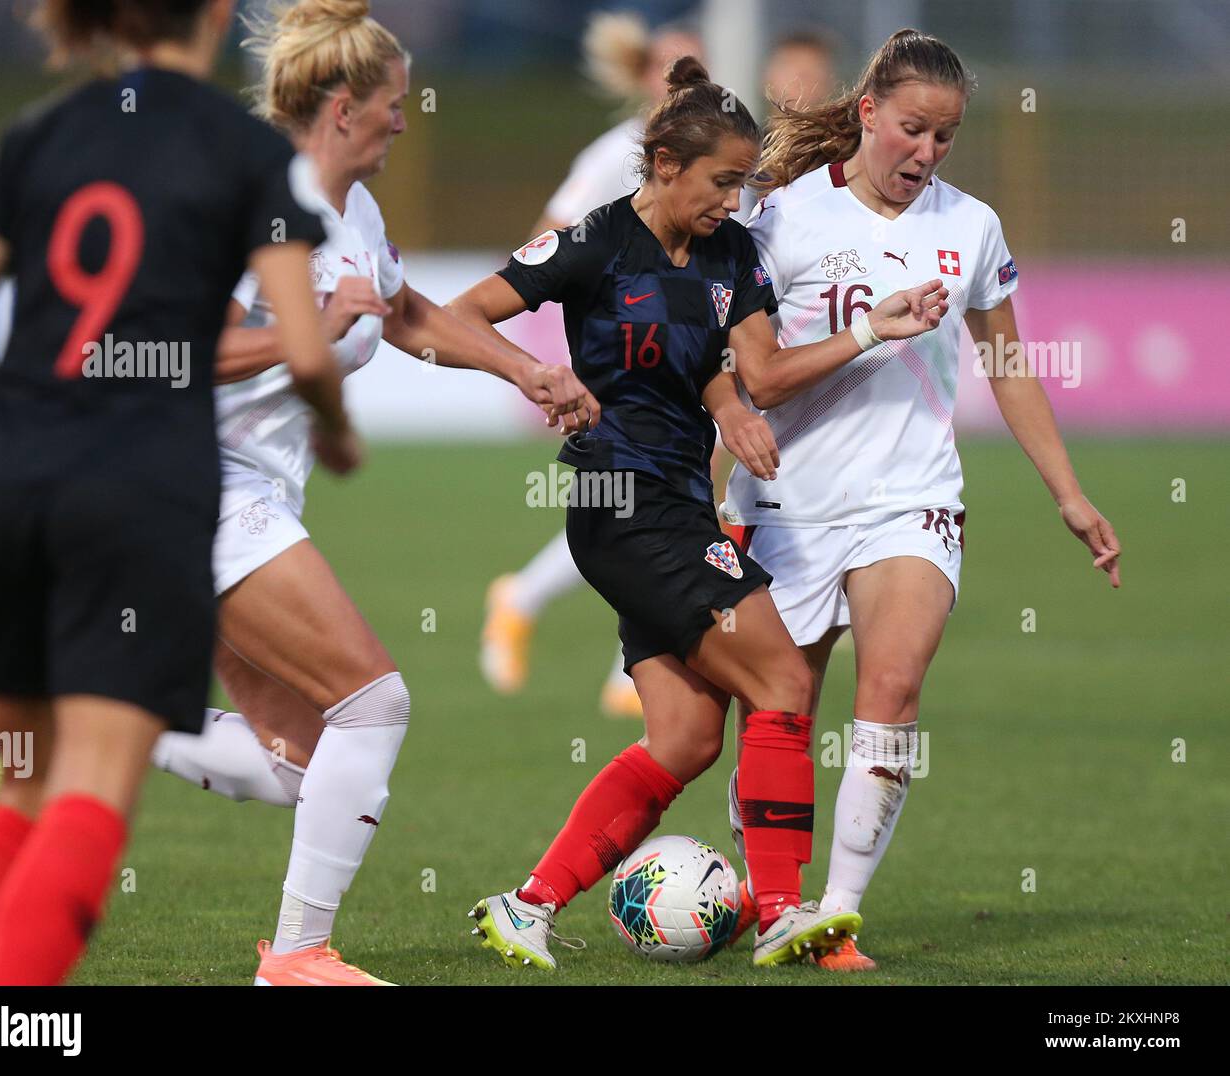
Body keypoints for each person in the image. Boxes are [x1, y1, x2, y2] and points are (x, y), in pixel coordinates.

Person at [448, 56, 948, 970]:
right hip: (625, 505)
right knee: (786, 688)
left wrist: (734, 407)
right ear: (666, 162)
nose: (733, 201)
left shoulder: (728, 254)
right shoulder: (595, 243)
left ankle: (527, 906)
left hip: (679, 504)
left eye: (745, 183)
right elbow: (457, 318)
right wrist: (531, 371)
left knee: (684, 739)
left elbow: (748, 368)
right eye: (722, 182)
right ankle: (785, 911)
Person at [141, 0, 597, 986]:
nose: (404, 119)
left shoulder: (352, 211)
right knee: (374, 701)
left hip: (243, 486)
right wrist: (307, 324)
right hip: (188, 481)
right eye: (393, 104)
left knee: (298, 764)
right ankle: (297, 955)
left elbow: (406, 312)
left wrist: (525, 371)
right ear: (343, 106)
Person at [0, 0, 354, 986]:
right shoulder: (244, 150)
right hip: (142, 487)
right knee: (85, 793)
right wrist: (334, 430)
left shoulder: (38, 131)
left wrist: (22, 409)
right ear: (216, 13)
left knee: (23, 791)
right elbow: (302, 344)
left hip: (17, 480)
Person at [721, 28, 1122, 971]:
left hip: (913, 497)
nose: (926, 154)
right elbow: (742, 372)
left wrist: (1068, 493)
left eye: (945, 138)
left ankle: (838, 914)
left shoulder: (969, 227)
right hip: (787, 504)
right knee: (781, 712)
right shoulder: (782, 221)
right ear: (866, 113)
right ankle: (773, 893)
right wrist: (704, 492)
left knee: (893, 687)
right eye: (911, 130)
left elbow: (1009, 362)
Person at [479, 12, 704, 718]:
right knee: (651, 505)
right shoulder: (619, 154)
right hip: (636, 359)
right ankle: (617, 659)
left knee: (660, 505)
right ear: (643, 80)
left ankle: (613, 658)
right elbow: (547, 240)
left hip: (694, 354)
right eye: (669, 71)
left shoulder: (716, 156)